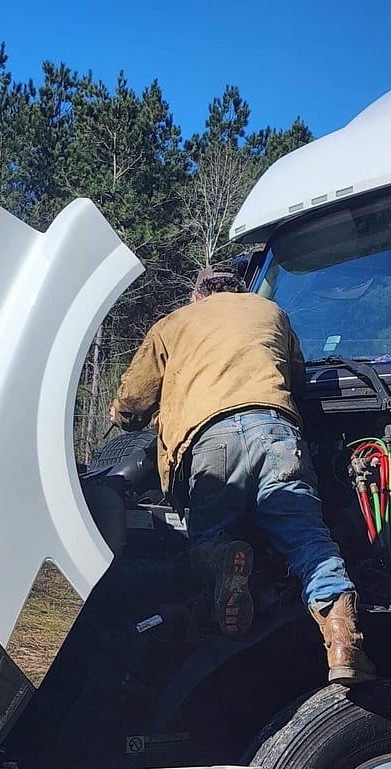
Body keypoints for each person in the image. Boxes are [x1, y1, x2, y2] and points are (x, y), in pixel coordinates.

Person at [109, 263, 375, 684]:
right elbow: (297, 378)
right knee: (309, 541)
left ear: (198, 296)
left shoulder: (175, 322)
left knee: (207, 538)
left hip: (211, 443)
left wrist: (122, 415)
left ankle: (224, 562)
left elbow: (133, 401)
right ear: (240, 291)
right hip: (276, 431)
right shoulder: (271, 313)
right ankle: (343, 642)